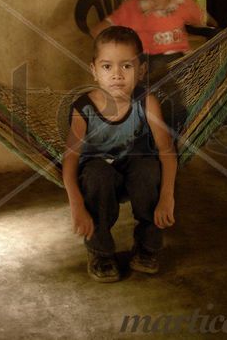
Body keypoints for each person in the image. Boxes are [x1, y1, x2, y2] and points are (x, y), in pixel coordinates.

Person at [63, 26, 177, 283]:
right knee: (97, 175)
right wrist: (76, 205)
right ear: (94, 70)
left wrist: (167, 197)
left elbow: (166, 150)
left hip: (131, 167)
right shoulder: (84, 108)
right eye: (107, 67)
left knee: (148, 168)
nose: (116, 75)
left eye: (126, 66)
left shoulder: (146, 102)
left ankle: (147, 247)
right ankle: (100, 252)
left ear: (141, 70)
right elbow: (69, 162)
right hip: (96, 172)